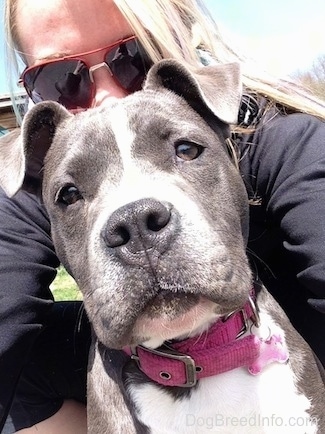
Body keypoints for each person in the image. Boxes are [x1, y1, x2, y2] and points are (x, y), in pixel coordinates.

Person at [1, 0, 324, 432]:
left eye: (134, 57)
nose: (107, 96)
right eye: (62, 80)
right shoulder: (50, 169)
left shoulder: (283, 140)